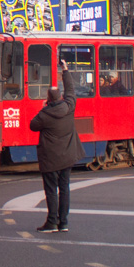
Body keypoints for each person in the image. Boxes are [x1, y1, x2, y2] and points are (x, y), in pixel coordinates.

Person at [29, 65, 84, 233]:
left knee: (51, 190)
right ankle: (64, 222)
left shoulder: (45, 114)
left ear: (48, 99)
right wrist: (65, 71)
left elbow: (32, 125)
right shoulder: (69, 107)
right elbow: (71, 90)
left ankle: (52, 222)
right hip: (67, 157)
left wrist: (44, 107)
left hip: (51, 160)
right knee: (64, 189)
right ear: (60, 96)